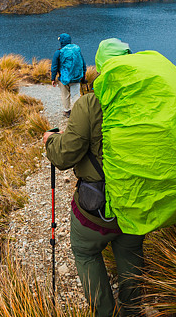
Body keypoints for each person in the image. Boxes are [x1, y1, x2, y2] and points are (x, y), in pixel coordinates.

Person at [43, 38, 144, 317]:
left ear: (100, 69)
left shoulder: (90, 104)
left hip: (95, 209)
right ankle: (133, 309)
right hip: (136, 202)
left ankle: (105, 312)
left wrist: (51, 141)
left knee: (85, 251)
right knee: (130, 248)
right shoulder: (145, 103)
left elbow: (64, 157)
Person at [51, 32, 87, 117]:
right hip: (76, 77)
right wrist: (83, 74)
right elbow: (83, 63)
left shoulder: (59, 52)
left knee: (65, 95)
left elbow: (54, 67)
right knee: (76, 95)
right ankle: (77, 112)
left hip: (64, 78)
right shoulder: (76, 50)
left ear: (61, 42)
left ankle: (67, 111)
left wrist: (53, 78)